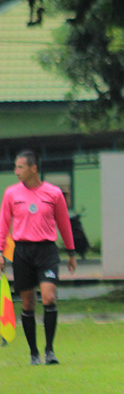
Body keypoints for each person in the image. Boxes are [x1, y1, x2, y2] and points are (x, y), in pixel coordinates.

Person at [0, 150, 77, 365]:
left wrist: (71, 252)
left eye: (20, 167)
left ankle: (49, 350)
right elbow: (3, 224)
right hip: (22, 252)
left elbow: (64, 223)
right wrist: (0, 252)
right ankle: (34, 353)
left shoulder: (53, 193)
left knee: (49, 297)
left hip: (47, 251)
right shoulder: (11, 194)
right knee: (27, 304)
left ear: (33, 168)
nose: (16, 171)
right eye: (15, 167)